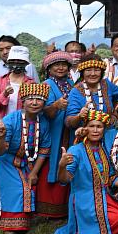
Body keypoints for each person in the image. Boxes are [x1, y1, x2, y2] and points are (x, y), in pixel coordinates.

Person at [54, 110, 118, 234]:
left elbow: (110, 177)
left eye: (99, 127)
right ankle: (82, 230)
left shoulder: (104, 148)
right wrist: (62, 166)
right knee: (116, 219)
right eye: (91, 126)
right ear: (85, 128)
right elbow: (64, 179)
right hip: (84, 199)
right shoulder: (75, 150)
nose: (95, 130)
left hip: (106, 196)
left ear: (104, 130)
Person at [0, 84, 51, 234]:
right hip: (5, 159)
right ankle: (11, 228)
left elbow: (44, 150)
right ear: (22, 101)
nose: (34, 103)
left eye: (39, 99)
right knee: (16, 189)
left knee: (30, 185)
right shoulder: (11, 120)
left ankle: (24, 221)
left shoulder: (43, 123)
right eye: (30, 99)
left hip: (27, 159)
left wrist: (34, 172)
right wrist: (2, 136)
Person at [38, 51, 75, 219]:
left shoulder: (71, 83)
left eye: (64, 65)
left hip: (70, 131)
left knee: (69, 161)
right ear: (49, 68)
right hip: (54, 132)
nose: (60, 68)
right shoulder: (46, 84)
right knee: (52, 163)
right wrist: (55, 105)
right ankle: (50, 208)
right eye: (56, 65)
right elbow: (42, 110)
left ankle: (67, 206)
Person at [65, 54, 118, 131]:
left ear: (101, 72)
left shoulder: (107, 85)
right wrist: (79, 116)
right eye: (88, 70)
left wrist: (115, 115)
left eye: (97, 70)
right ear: (82, 73)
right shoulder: (75, 92)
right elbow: (68, 122)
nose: (93, 74)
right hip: (84, 137)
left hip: (108, 135)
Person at [0, 46, 36, 124]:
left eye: (20, 61)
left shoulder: (31, 83)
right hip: (0, 125)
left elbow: (32, 107)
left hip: (21, 126)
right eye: (13, 61)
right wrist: (4, 94)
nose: (16, 64)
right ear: (8, 63)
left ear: (26, 64)